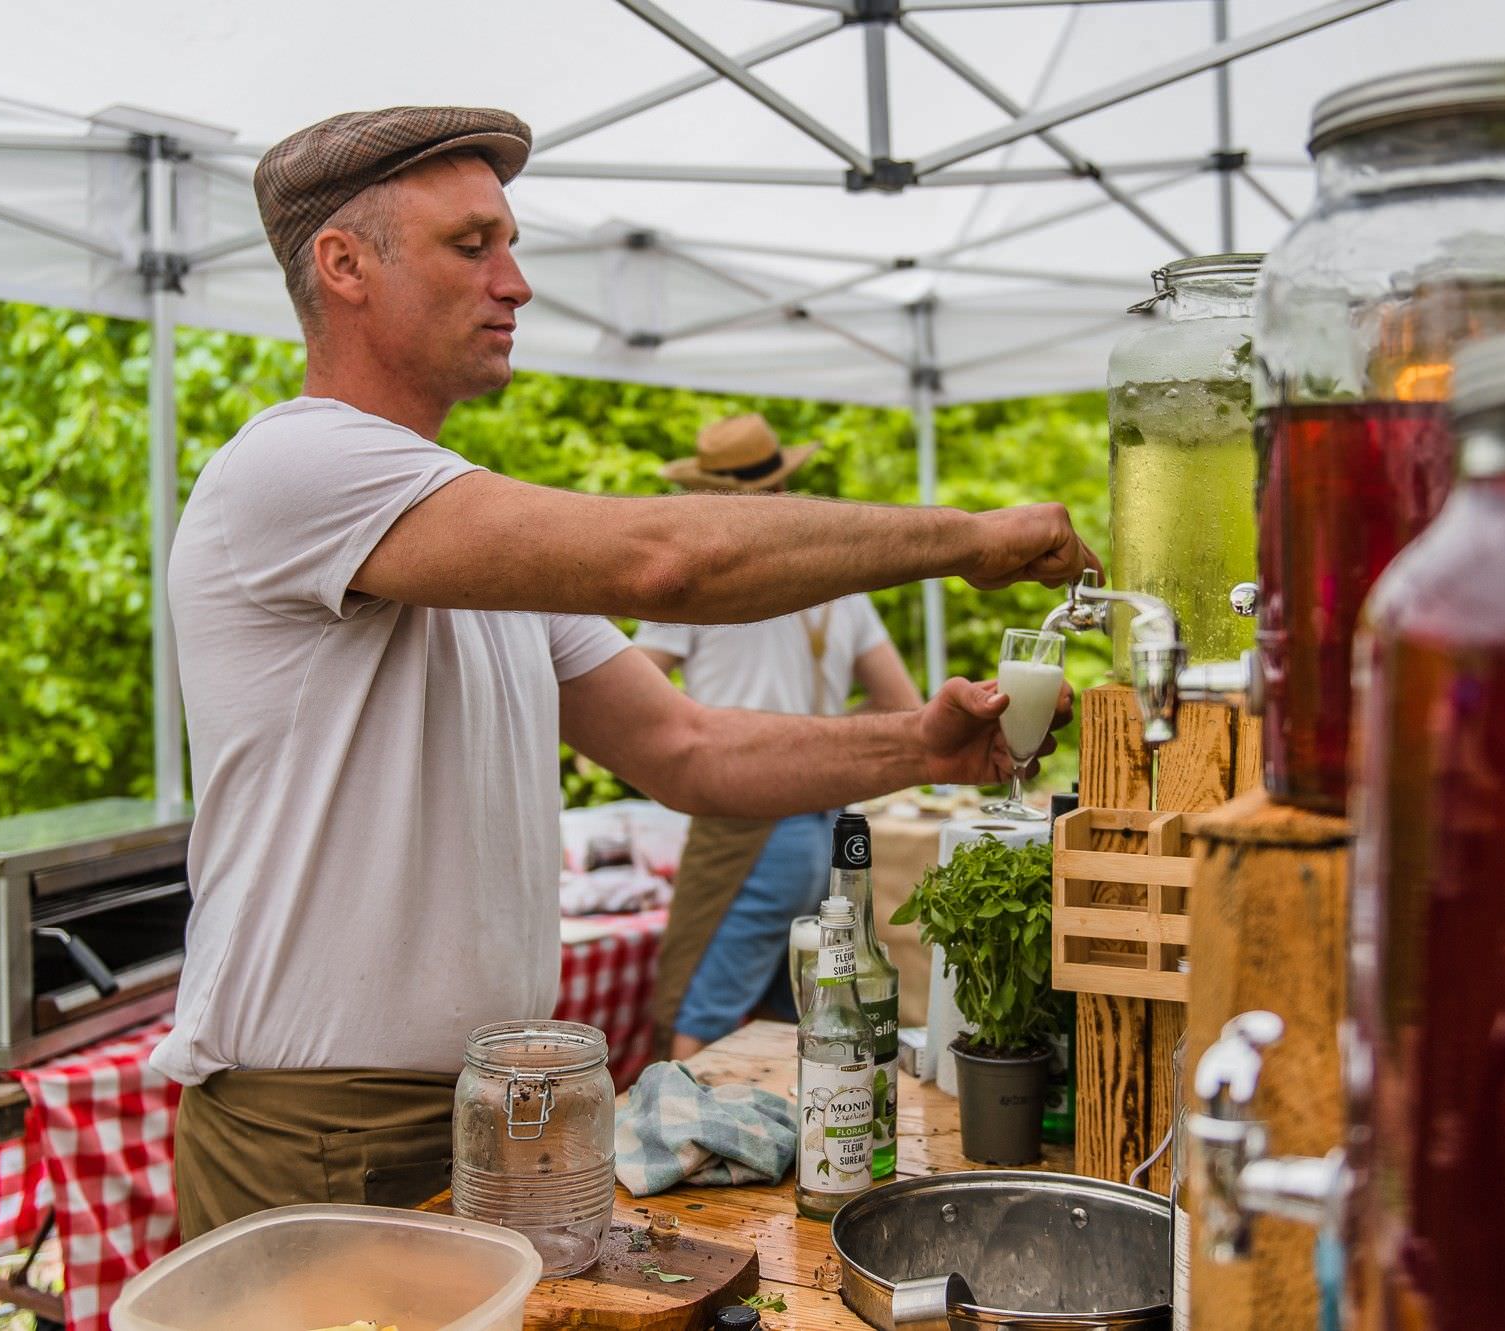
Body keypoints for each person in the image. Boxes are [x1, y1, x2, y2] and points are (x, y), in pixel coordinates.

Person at [154, 104, 1096, 1240]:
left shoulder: (449, 523)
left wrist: (914, 746)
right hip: (318, 1130)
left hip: (494, 1105)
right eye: (472, 244)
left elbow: (684, 747)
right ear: (343, 265)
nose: (516, 282)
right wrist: (965, 537)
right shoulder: (295, 463)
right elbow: (670, 558)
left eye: (509, 243)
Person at [636, 413, 921, 1060]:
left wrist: (712, 738)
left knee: (698, 1011)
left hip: (746, 818)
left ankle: (687, 1141)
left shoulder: (706, 575)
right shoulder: (839, 578)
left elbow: (634, 683)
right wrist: (813, 742)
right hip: (825, 826)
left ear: (710, 495)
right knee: (784, 1008)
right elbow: (900, 703)